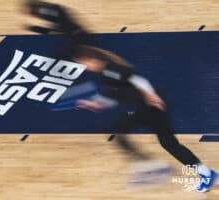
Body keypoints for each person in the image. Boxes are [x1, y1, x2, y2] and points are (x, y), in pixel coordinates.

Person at [26, 1, 218, 192]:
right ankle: (205, 173)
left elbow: (136, 78)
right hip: (152, 105)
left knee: (121, 136)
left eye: (84, 63)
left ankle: (151, 168)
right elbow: (115, 92)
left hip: (147, 106)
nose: (84, 67)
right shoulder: (105, 72)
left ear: (92, 60)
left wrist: (150, 95)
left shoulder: (111, 70)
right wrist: (96, 103)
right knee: (168, 143)